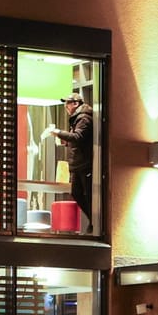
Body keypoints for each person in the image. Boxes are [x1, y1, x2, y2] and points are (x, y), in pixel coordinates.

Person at [43, 90, 95, 230]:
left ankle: (94, 223)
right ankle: (92, 221)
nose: (66, 107)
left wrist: (59, 133)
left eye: (68, 103)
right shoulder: (78, 118)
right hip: (78, 164)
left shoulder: (83, 118)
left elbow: (78, 137)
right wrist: (65, 141)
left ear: (76, 104)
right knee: (77, 193)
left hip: (84, 164)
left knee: (87, 195)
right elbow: (77, 140)